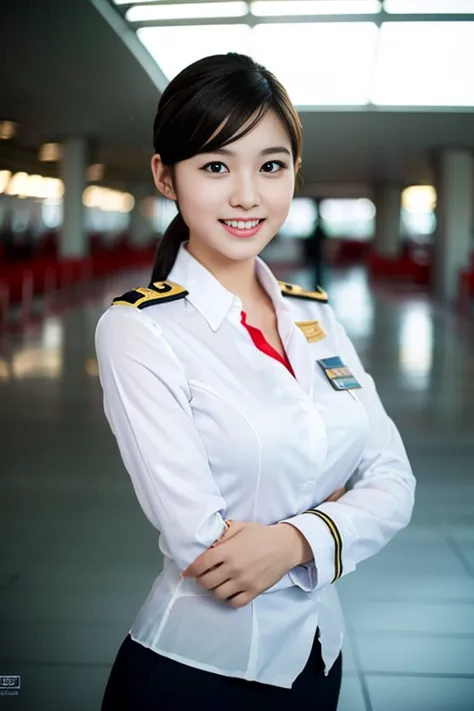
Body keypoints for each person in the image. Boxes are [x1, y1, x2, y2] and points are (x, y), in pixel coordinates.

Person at [95, 53, 415, 710]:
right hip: (194, 674)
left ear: (294, 172)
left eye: (270, 165)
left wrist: (292, 537)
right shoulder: (141, 330)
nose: (247, 194)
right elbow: (205, 548)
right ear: (166, 175)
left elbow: (396, 481)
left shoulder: (315, 313)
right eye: (215, 165)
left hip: (318, 658)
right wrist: (337, 505)